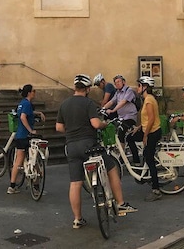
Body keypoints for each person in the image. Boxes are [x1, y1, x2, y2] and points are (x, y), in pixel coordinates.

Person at [56, 74, 137, 229]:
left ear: (74, 88)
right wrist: (104, 125)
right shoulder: (88, 103)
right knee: (112, 168)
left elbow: (59, 128)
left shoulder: (64, 104)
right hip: (89, 144)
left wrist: (72, 130)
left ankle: (77, 219)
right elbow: (95, 124)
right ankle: (121, 204)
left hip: (71, 146)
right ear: (87, 89)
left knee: (75, 183)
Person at [7, 84, 45, 194]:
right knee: (35, 159)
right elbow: (23, 117)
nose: (35, 93)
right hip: (26, 135)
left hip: (19, 135)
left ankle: (12, 185)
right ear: (29, 93)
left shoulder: (22, 103)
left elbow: (23, 113)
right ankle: (36, 186)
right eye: (34, 91)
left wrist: (37, 113)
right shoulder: (27, 104)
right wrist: (30, 130)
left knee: (18, 162)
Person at [132, 76, 162, 201]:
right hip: (147, 130)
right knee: (130, 137)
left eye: (139, 86)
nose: (137, 88)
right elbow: (146, 119)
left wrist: (145, 136)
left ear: (145, 87)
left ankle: (156, 190)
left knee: (150, 159)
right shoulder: (147, 99)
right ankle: (139, 165)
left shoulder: (149, 100)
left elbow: (151, 119)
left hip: (152, 132)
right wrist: (139, 127)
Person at [103, 75, 141, 165]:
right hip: (121, 118)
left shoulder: (129, 91)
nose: (117, 84)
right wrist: (103, 108)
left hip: (130, 117)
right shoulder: (117, 93)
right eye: (115, 83)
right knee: (127, 137)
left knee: (121, 133)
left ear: (123, 82)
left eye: (119, 82)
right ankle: (131, 158)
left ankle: (122, 157)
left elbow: (123, 102)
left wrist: (113, 110)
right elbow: (111, 101)